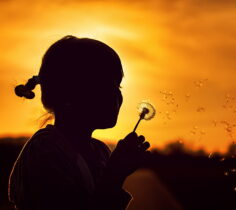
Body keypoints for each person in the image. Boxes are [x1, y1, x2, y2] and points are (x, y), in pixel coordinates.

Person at [8, 35, 151, 210]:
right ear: (69, 93)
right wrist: (114, 176)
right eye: (105, 84)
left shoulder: (100, 152)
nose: (116, 95)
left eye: (118, 85)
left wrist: (115, 173)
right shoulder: (45, 151)